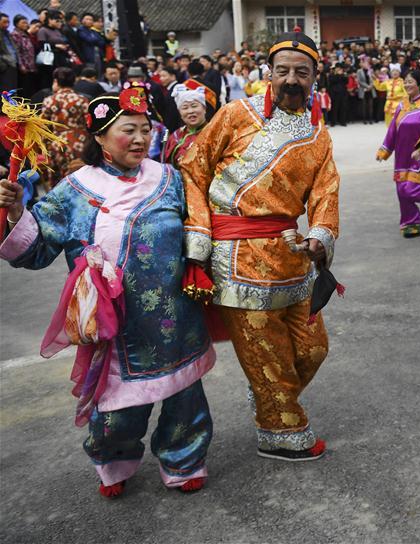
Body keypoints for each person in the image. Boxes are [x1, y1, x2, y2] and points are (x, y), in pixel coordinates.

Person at [0, 88, 215, 498]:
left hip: (177, 318)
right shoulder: (76, 189)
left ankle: (184, 458)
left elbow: (203, 226)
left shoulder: (170, 178)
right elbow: (36, 249)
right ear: (99, 137)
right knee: (118, 408)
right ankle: (113, 460)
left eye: (145, 130)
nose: (139, 139)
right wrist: (14, 212)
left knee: (185, 397)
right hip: (117, 323)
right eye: (127, 130)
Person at [180, 30, 339, 461]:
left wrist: (319, 237)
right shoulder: (235, 114)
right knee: (266, 353)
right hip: (236, 256)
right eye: (282, 70)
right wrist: (198, 238)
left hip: (292, 254)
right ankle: (279, 430)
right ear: (268, 73)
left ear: (314, 78)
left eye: (301, 73)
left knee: (313, 348)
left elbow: (326, 193)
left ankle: (271, 397)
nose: (291, 79)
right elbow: (192, 169)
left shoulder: (317, 135)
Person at [376, 70, 420, 238]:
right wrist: (384, 150)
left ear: (419, 84)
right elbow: (393, 130)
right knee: (402, 191)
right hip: (401, 156)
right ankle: (412, 222)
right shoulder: (401, 105)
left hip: (419, 156)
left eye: (411, 82)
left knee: (410, 189)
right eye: (406, 81)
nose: (407, 84)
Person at [40, 67, 90, 187]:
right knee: (80, 179)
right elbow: (89, 124)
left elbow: (44, 127)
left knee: (59, 183)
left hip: (57, 144)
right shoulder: (82, 100)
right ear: (74, 82)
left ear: (56, 82)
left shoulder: (49, 101)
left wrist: (44, 147)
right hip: (80, 142)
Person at [162, 81, 215, 166]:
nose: (190, 111)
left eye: (194, 106)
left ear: (204, 109)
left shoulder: (215, 134)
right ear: (180, 113)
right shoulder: (175, 136)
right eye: (185, 108)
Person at [0, 12, 18, 92]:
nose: (7, 24)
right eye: (4, 22)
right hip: (4, 66)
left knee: (12, 90)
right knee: (5, 90)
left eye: (8, 22)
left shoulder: (7, 33)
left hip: (12, 64)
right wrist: (3, 65)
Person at [355, 57, 375, 124]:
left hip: (371, 90)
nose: (366, 65)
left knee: (370, 106)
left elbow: (373, 79)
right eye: (365, 63)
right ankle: (364, 119)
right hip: (363, 90)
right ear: (362, 64)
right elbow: (360, 81)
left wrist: (370, 86)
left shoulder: (371, 71)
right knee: (363, 106)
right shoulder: (359, 71)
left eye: (367, 64)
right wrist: (367, 86)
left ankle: (370, 119)